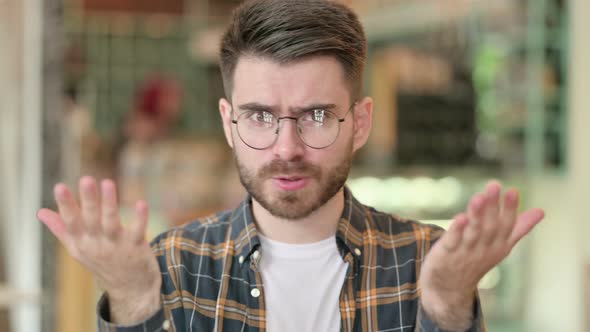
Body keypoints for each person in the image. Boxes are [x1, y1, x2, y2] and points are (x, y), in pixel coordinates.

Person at [37, 0, 545, 331]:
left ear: (360, 122)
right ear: (228, 121)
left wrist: (447, 309)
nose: (287, 148)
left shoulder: (426, 263)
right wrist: (133, 307)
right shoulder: (170, 266)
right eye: (259, 116)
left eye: (317, 116)